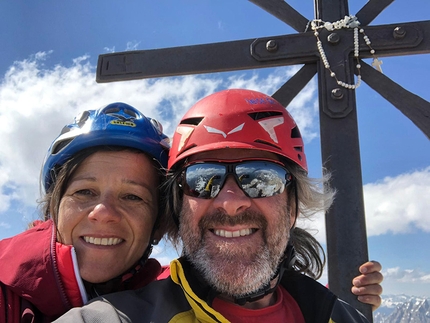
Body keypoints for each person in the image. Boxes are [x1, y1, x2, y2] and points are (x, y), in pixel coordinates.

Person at [55, 89, 382, 322]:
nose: (230, 202)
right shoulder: (112, 318)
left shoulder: (340, 316)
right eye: (203, 179)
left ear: (293, 206)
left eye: (260, 178)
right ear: (179, 207)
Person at [0, 102, 170, 322]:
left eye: (132, 196)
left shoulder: (177, 300)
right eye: (85, 192)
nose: (103, 212)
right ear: (54, 208)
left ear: (158, 225)